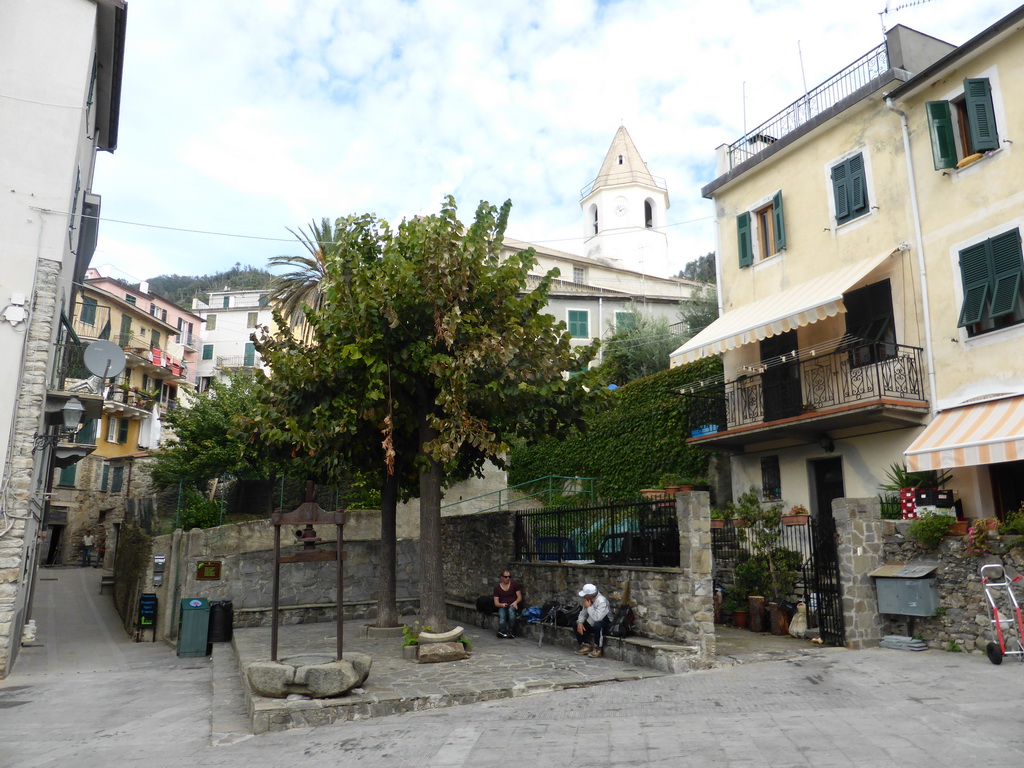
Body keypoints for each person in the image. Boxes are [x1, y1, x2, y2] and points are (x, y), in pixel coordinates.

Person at [574, 583, 610, 658]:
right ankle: (585, 645)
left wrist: (589, 607)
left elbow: (598, 618)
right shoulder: (588, 600)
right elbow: (583, 613)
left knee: (598, 625)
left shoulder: (602, 601)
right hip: (592, 622)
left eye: (585, 595)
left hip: (605, 623)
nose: (584, 597)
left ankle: (598, 648)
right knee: (575, 623)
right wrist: (580, 622)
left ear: (590, 595)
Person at [492, 569, 522, 639]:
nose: (508, 578)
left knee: (511, 611)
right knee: (502, 615)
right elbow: (496, 603)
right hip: (503, 605)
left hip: (512, 604)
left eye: (509, 577)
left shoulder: (514, 585)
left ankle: (511, 631)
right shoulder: (497, 588)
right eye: (506, 577)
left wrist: (515, 602)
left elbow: (519, 597)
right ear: (502, 577)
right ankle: (502, 631)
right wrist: (501, 605)